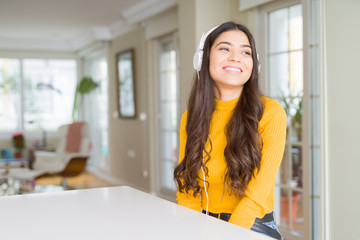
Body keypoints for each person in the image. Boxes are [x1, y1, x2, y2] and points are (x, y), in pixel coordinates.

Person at [173, 21, 286, 240]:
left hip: (251, 225)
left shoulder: (271, 113)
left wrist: (227, 234)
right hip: (201, 221)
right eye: (224, 48)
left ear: (254, 64)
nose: (236, 57)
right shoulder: (191, 117)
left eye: (246, 52)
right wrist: (189, 230)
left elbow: (256, 196)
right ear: (202, 59)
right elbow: (187, 191)